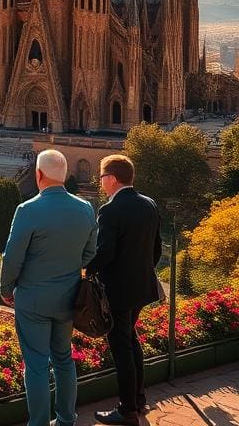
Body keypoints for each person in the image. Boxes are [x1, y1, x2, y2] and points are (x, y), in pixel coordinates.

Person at [0, 149, 98, 426]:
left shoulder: (28, 210)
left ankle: (39, 422)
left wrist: (6, 288)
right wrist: (68, 266)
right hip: (69, 297)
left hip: (32, 300)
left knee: (36, 365)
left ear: (38, 174)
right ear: (66, 175)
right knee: (64, 360)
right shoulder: (85, 208)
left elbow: (12, 256)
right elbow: (90, 252)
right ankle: (67, 419)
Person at [86, 154, 162, 425]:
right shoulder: (149, 204)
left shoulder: (110, 210)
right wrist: (139, 273)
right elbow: (157, 251)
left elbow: (105, 253)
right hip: (141, 288)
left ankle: (127, 409)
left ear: (113, 178)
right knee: (131, 341)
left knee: (121, 349)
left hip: (117, 292)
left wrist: (86, 270)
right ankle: (139, 400)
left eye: (102, 176)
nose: (100, 181)